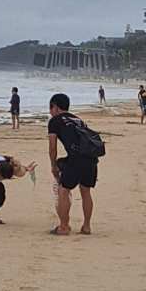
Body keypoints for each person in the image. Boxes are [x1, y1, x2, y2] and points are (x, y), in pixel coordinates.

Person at [46, 92, 99, 236]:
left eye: (50, 108)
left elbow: (52, 147)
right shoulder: (78, 120)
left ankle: (63, 227)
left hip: (75, 160)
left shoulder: (55, 121)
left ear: (55, 107)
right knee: (86, 191)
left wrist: (53, 166)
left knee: (63, 190)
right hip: (91, 159)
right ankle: (86, 226)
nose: (50, 112)